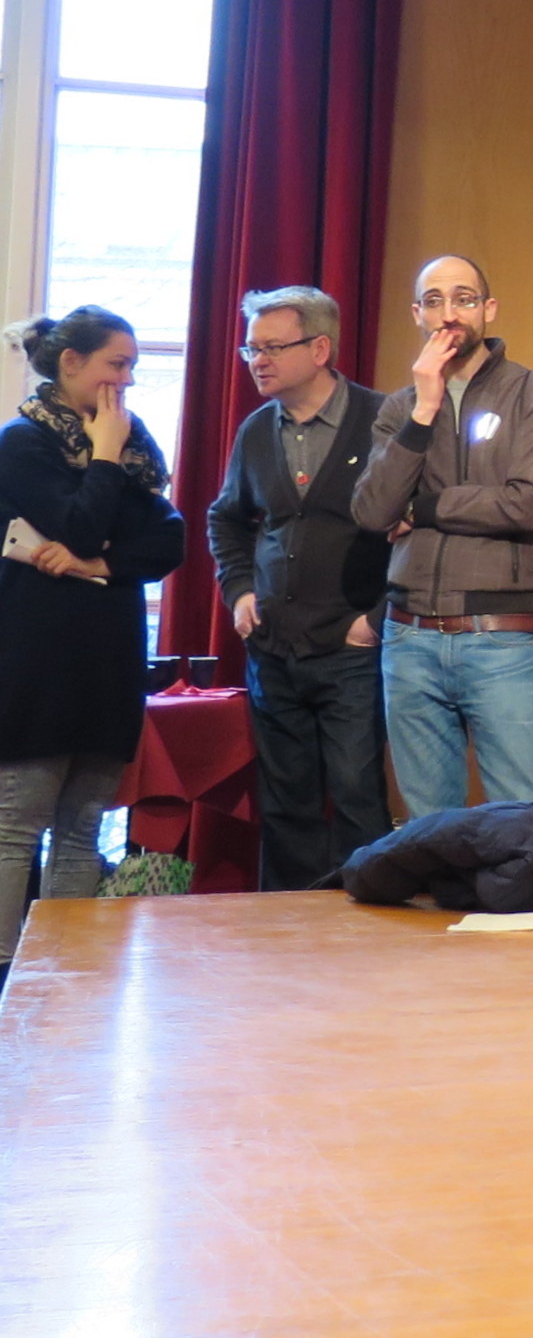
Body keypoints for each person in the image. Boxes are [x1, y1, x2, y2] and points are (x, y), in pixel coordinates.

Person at [0, 307, 186, 982]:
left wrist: (98, 562)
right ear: (71, 363)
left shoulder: (133, 447)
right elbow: (79, 525)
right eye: (117, 363)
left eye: (133, 365)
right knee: (17, 828)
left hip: (108, 659)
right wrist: (104, 458)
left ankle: (64, 974)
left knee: (81, 828)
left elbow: (169, 541)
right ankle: (7, 975)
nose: (127, 380)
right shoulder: (22, 443)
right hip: (36, 659)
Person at [351, 256, 533, 816]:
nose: (449, 313)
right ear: (417, 315)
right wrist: (424, 409)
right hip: (409, 639)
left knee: (520, 818)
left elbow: (525, 504)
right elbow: (372, 511)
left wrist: (422, 508)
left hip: (498, 637)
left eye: (464, 298)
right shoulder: (400, 408)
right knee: (429, 827)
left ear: (488, 309)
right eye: (434, 301)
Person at [207, 286, 395, 889]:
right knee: (285, 804)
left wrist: (376, 620)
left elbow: (417, 530)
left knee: (357, 795)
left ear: (319, 349)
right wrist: (240, 591)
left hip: (352, 647)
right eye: (251, 349)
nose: (257, 361)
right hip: (273, 648)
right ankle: (286, 926)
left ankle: (361, 923)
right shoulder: (257, 430)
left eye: (271, 347)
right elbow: (226, 519)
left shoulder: (383, 421)